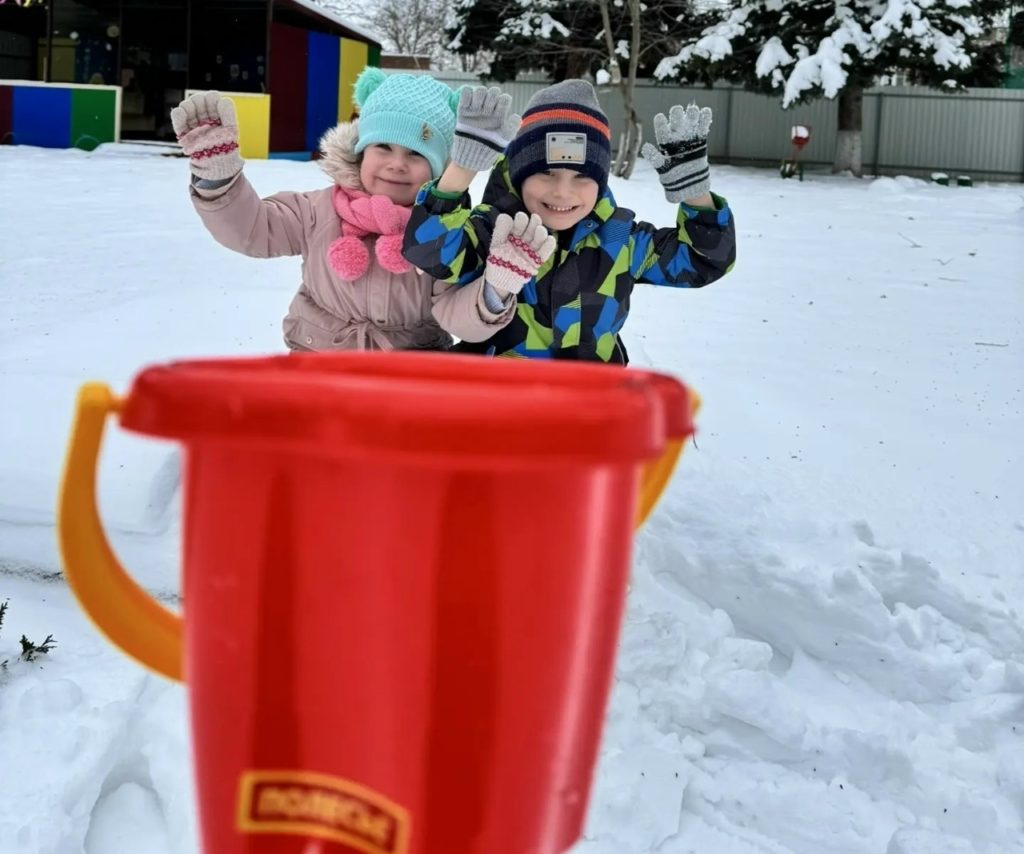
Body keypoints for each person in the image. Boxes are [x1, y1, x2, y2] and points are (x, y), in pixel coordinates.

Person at [170, 68, 512, 352]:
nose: (397, 164)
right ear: (361, 152)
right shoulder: (317, 210)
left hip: (407, 380)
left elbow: (455, 313)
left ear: (439, 167)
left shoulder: (445, 234)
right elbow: (253, 230)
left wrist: (494, 291)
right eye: (383, 146)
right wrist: (219, 177)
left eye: (416, 154)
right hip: (318, 369)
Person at [402, 79, 737, 364]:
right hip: (500, 400)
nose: (563, 192)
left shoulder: (622, 241)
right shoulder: (493, 230)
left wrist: (695, 193)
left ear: (600, 182)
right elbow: (428, 251)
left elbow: (703, 262)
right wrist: (462, 170)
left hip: (589, 402)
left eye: (582, 176)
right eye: (547, 173)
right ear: (519, 174)